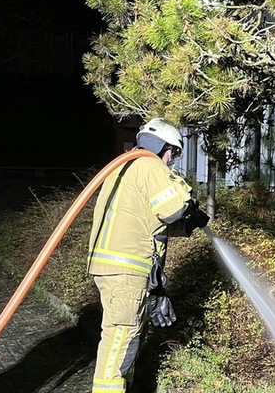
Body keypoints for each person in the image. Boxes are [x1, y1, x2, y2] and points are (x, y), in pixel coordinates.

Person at [87, 118, 209, 393]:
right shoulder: (149, 164)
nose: (172, 159)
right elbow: (172, 208)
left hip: (114, 265)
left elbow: (149, 219)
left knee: (125, 337)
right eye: (174, 152)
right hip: (126, 269)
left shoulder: (125, 165)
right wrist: (188, 201)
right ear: (164, 147)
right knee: (120, 338)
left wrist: (190, 223)